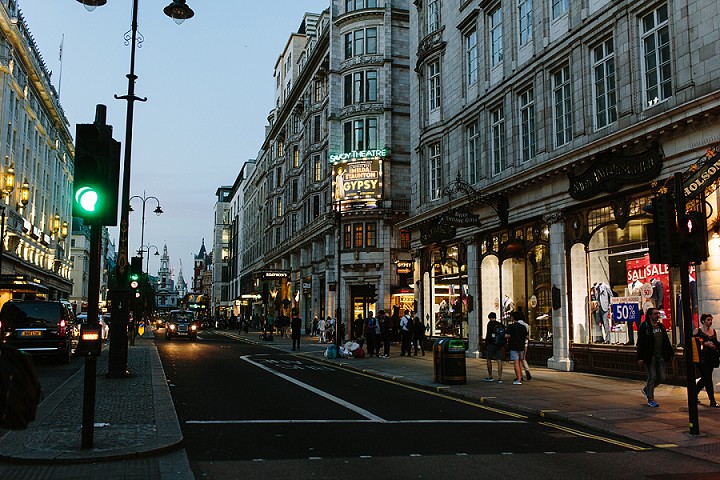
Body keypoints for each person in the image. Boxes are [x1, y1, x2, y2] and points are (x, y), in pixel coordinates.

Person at [637, 307, 674, 407]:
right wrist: (640, 357)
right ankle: (651, 398)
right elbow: (640, 343)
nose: (658, 316)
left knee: (662, 377)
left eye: (658, 313)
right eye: (655, 314)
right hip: (650, 356)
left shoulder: (661, 326)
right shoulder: (645, 327)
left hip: (660, 355)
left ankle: (647, 390)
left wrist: (670, 353)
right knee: (652, 376)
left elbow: (665, 341)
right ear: (650, 316)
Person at [693, 313, 720, 407]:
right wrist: (705, 343)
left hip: (711, 358)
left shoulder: (713, 331)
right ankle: (712, 400)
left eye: (711, 320)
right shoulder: (697, 331)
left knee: (705, 378)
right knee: (707, 378)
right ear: (703, 321)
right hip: (702, 358)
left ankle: (693, 395)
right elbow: (693, 343)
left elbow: (716, 342)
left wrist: (715, 346)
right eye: (708, 320)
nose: (710, 322)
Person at [506, 311, 528, 385]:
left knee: (516, 362)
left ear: (513, 318)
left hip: (513, 346)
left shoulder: (511, 326)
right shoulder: (523, 327)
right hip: (521, 346)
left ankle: (518, 378)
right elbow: (527, 337)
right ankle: (520, 376)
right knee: (520, 361)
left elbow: (506, 335)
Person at [484, 312, 505, 383]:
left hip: (491, 343)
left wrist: (486, 343)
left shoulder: (490, 324)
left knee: (489, 359)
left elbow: (488, 334)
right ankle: (500, 377)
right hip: (499, 344)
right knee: (499, 360)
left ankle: (490, 376)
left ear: (489, 317)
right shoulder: (500, 324)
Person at [515, 310, 532, 381]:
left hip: (517, 343)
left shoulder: (516, 324)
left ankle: (520, 375)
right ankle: (526, 370)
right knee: (523, 358)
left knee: (517, 360)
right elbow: (528, 336)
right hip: (525, 343)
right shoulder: (526, 325)